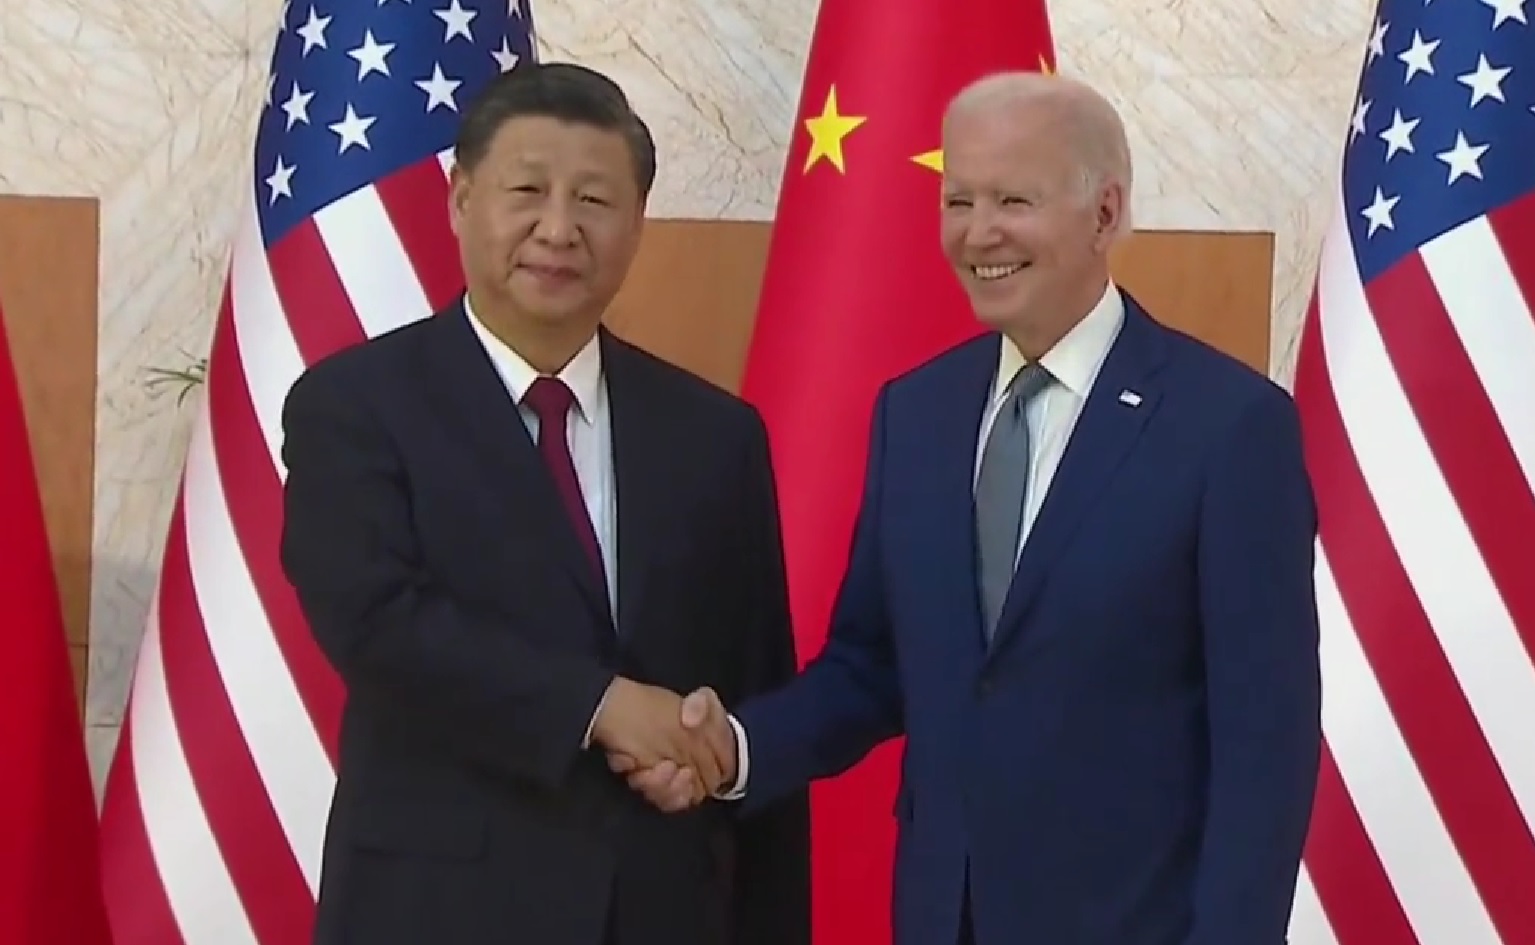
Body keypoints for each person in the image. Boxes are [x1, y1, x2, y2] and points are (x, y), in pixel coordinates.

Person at [617, 72, 1322, 945]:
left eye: (1012, 200)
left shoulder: (1229, 425)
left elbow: (1266, 741)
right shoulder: (916, 412)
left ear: (1104, 215)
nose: (978, 232)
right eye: (958, 199)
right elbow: (871, 667)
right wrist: (733, 747)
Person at [278, 61, 810, 945]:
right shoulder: (356, 404)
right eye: (526, 190)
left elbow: (755, 680)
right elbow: (376, 623)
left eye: (595, 201)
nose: (557, 229)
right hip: (438, 909)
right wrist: (601, 707)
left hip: (665, 905)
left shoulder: (717, 435)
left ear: (638, 222)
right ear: (460, 201)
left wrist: (708, 752)